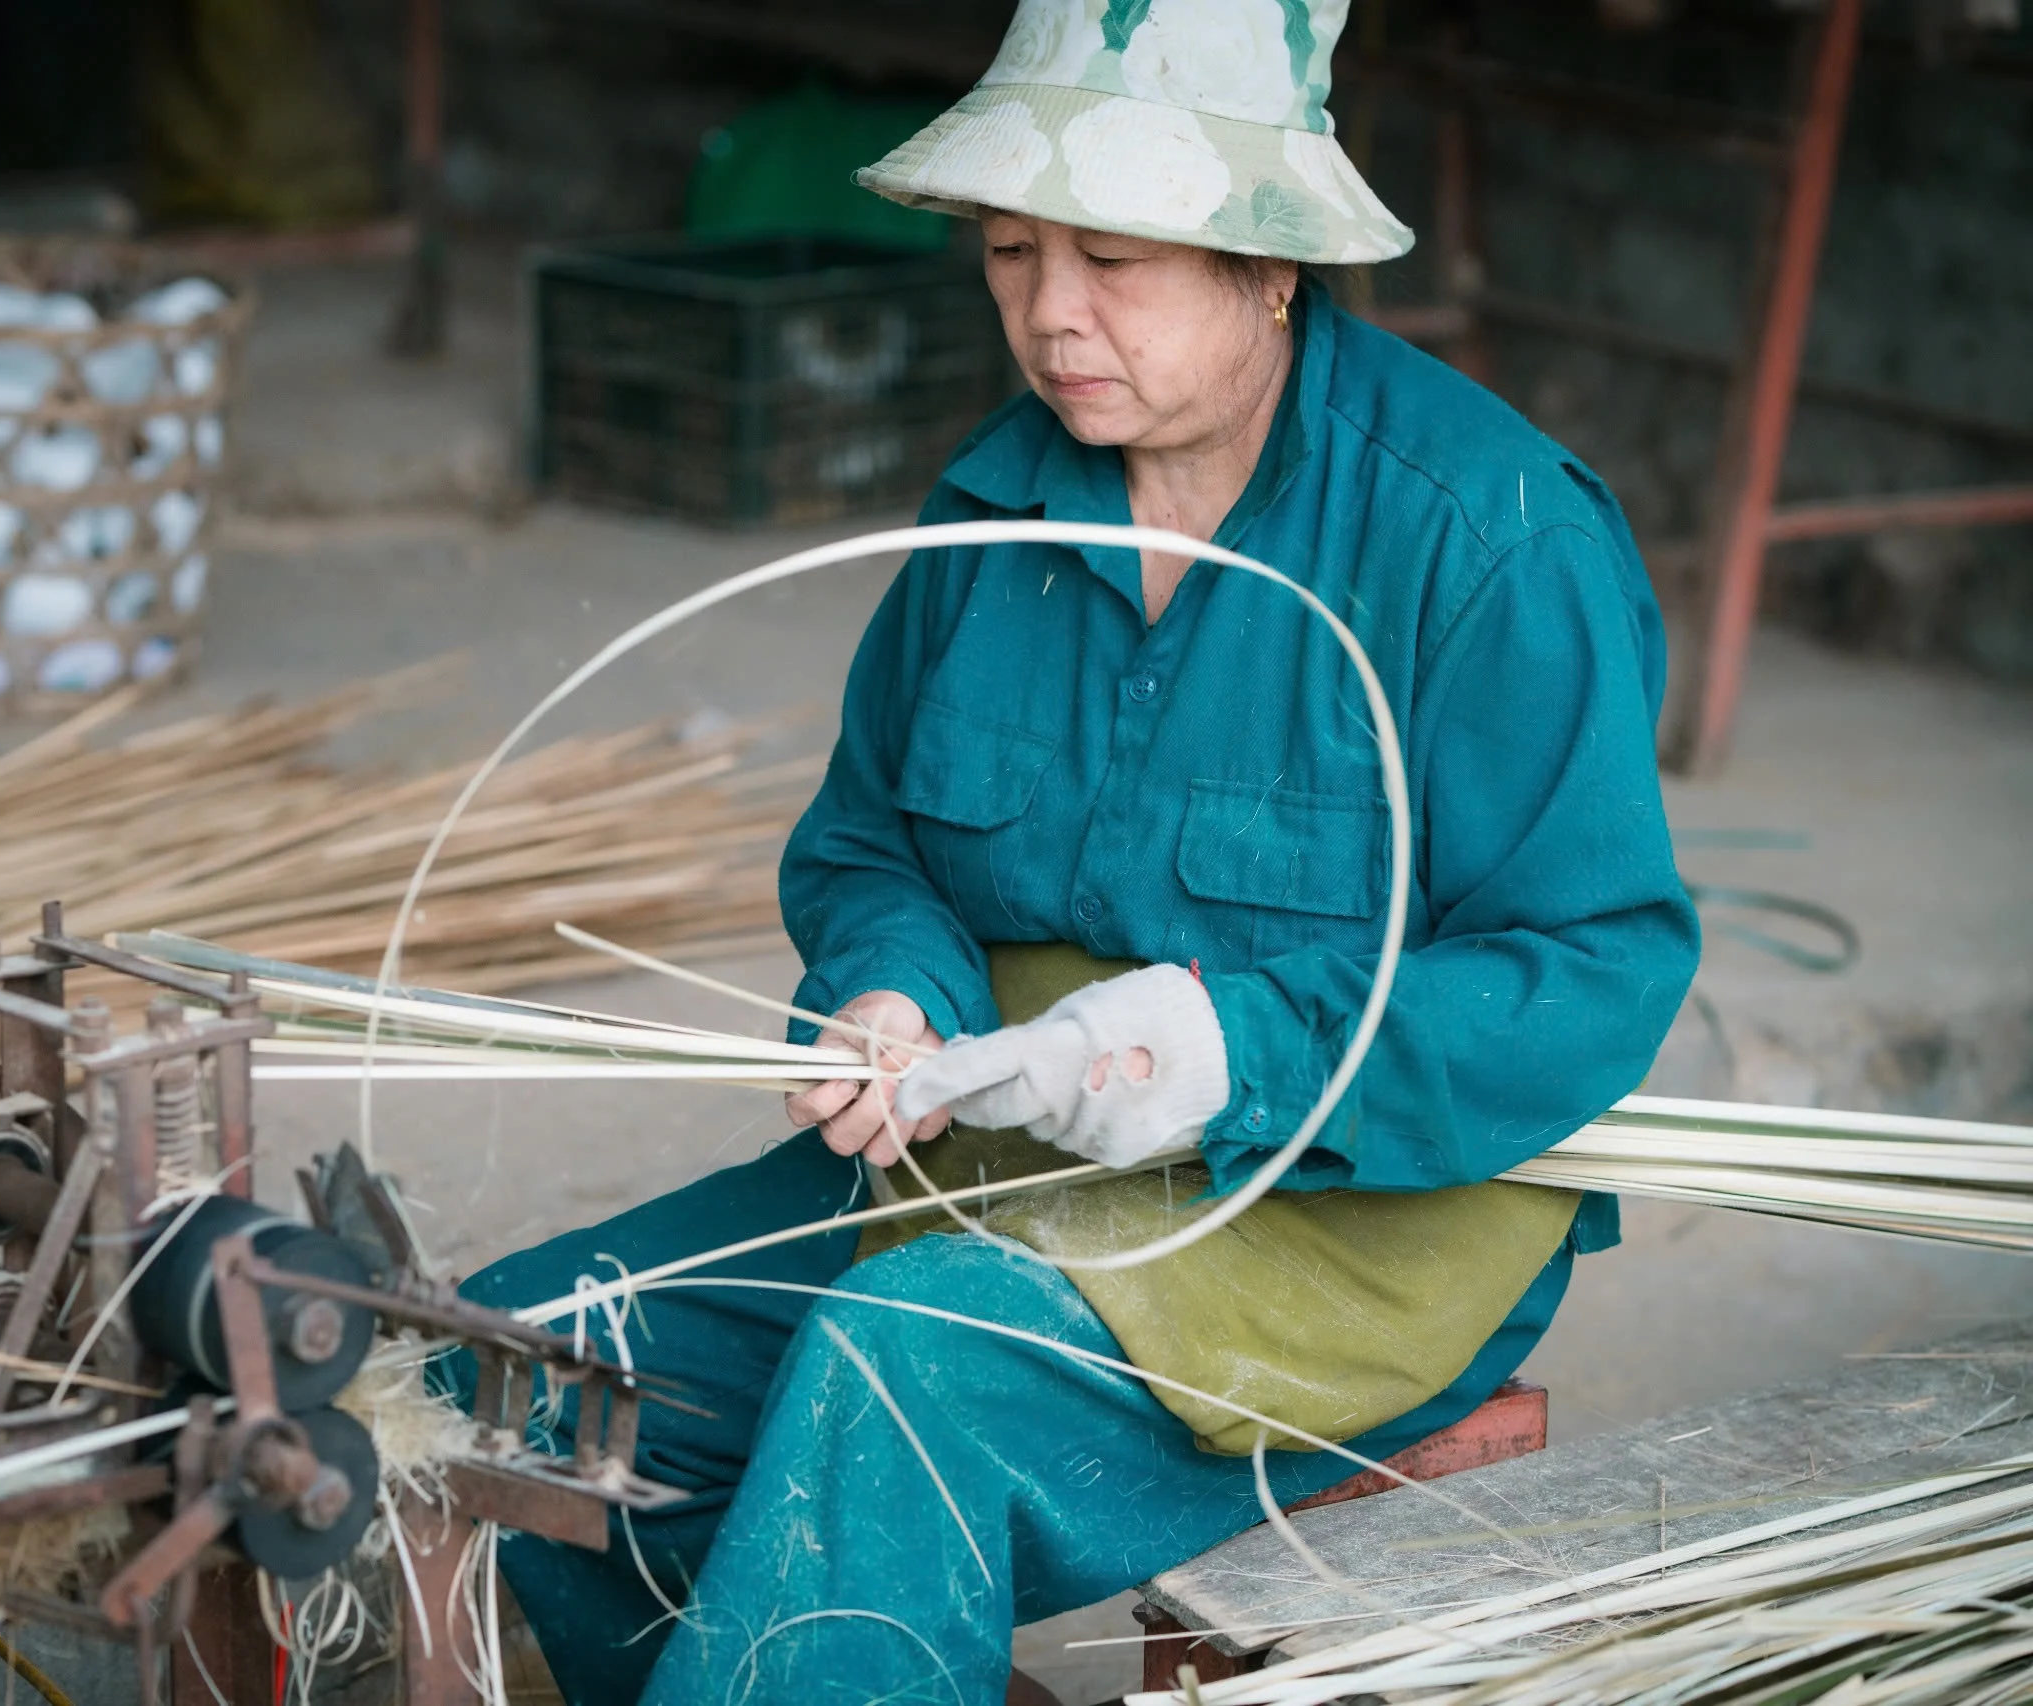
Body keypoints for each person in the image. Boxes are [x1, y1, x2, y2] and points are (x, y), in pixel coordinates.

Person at [446, 3, 1700, 1700]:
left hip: (1356, 1207)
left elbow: (1591, 972)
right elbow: (873, 839)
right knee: (520, 1362)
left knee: (907, 1372)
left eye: (1113, 257)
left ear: (1272, 263)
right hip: (1009, 1148)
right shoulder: (999, 508)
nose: (1050, 312)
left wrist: (1229, 1047)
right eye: (1010, 251)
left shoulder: (1490, 536)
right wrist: (892, 987)